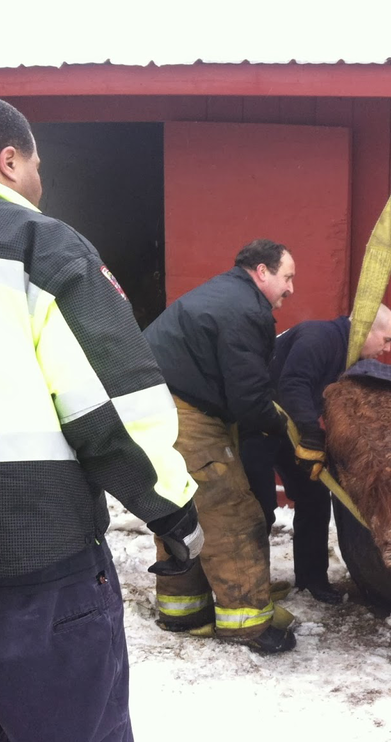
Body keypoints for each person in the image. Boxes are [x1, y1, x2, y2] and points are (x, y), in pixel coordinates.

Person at [0, 94, 201, 742]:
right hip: (33, 564)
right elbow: (114, 404)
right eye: (36, 164)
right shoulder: (38, 243)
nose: (40, 180)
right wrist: (172, 510)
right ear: (9, 160)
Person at [144, 238, 297, 653]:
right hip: (187, 416)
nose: (291, 288)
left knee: (183, 507)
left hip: (154, 409)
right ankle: (248, 624)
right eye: (287, 277)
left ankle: (183, 609)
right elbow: (249, 397)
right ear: (261, 272)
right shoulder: (246, 310)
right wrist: (280, 427)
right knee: (233, 513)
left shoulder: (221, 293)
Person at [240, 305, 391, 604]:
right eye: (386, 339)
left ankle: (312, 579)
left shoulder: (348, 354)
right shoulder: (319, 337)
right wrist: (312, 433)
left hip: (289, 426)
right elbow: (293, 383)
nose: (387, 349)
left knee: (313, 495)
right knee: (257, 505)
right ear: (367, 329)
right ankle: (250, 587)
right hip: (255, 422)